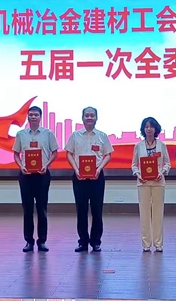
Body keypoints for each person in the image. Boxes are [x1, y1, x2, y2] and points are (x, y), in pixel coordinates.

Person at [65, 107, 113, 252]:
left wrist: (99, 169)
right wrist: (76, 169)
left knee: (97, 210)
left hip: (97, 177)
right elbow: (69, 153)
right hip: (79, 177)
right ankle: (83, 242)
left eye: (92, 115)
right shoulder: (75, 136)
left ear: (96, 118)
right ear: (82, 118)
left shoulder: (102, 136)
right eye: (87, 115)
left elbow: (108, 155)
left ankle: (96, 242)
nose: (89, 118)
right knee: (81, 210)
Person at [12, 106, 58, 252]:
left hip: (42, 175)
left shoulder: (48, 133)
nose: (33, 117)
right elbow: (16, 154)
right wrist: (21, 166)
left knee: (42, 209)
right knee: (27, 209)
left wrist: (46, 165)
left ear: (40, 117)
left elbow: (55, 152)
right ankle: (29, 241)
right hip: (25, 175)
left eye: (36, 115)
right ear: (28, 117)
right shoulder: (21, 134)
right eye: (31, 115)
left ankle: (42, 241)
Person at [131, 117, 170, 252]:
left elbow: (167, 163)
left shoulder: (162, 145)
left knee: (158, 214)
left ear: (156, 129)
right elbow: (134, 165)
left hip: (158, 182)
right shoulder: (138, 146)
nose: (149, 129)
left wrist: (162, 172)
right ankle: (146, 244)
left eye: (151, 126)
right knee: (144, 214)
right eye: (146, 126)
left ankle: (158, 244)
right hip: (143, 183)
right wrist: (138, 174)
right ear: (143, 129)